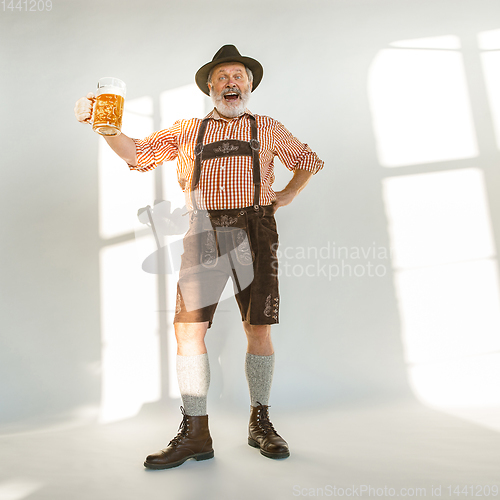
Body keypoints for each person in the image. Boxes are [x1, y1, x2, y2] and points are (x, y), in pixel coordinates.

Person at [74, 44, 324, 470]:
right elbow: (136, 153)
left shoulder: (269, 127)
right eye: (223, 77)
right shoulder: (187, 130)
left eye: (239, 77)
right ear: (210, 86)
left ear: (250, 85)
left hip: (256, 230)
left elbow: (309, 160)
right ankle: (196, 432)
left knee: (258, 328)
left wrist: (288, 192)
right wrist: (102, 128)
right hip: (204, 232)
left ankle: (260, 422)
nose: (231, 83)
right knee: (189, 331)